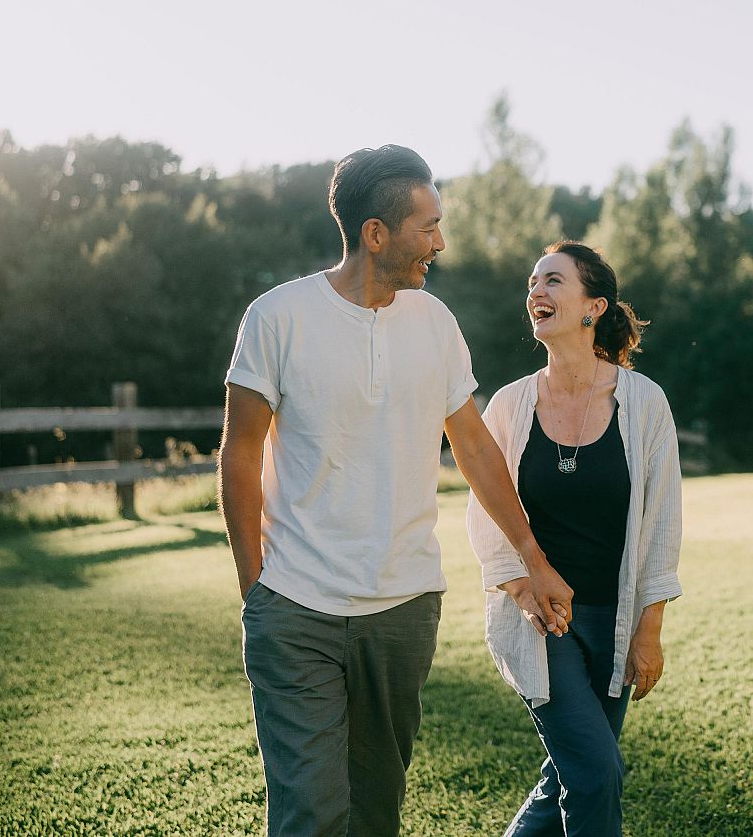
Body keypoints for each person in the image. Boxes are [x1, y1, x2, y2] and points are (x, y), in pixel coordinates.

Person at [217, 145, 574, 837]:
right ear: (376, 234)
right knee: (310, 813)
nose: (439, 243)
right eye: (428, 227)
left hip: (404, 609)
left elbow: (474, 446)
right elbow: (241, 450)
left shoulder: (434, 322)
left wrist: (532, 556)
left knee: (376, 811)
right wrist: (255, 588)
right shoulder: (277, 316)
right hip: (296, 608)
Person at [466, 241, 685, 837]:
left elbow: (663, 522)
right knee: (595, 771)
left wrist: (649, 628)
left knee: (569, 776)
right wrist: (522, 589)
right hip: (543, 622)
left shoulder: (644, 402)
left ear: (594, 307)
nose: (536, 292)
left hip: (615, 620)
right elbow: (484, 512)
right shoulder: (510, 405)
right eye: (532, 283)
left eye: (554, 281)